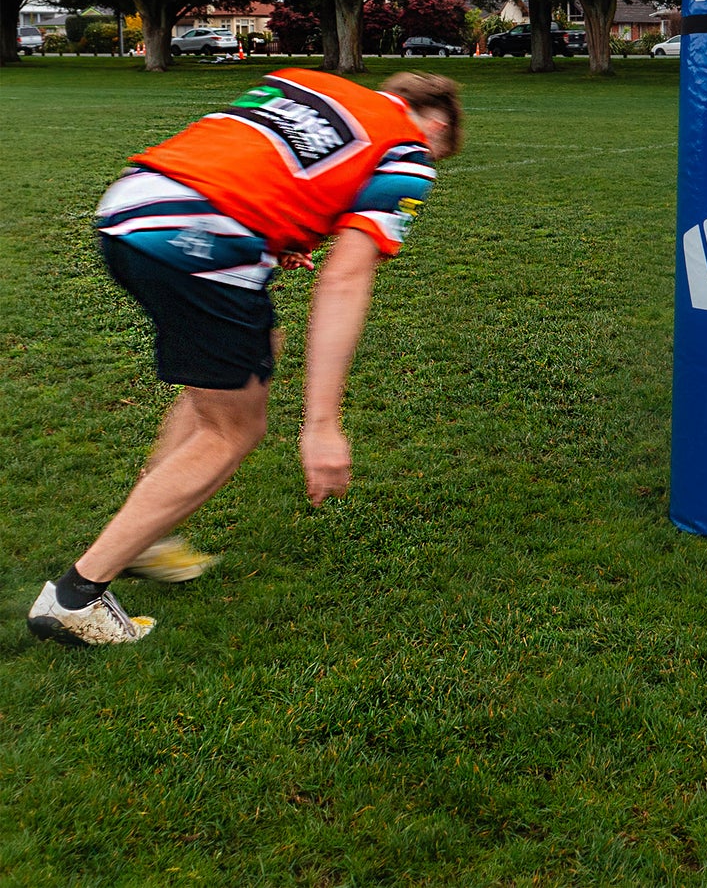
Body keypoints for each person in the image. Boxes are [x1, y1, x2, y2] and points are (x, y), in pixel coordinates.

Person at [27, 68, 462, 647]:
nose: (431, 163)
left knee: (251, 359)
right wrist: (323, 424)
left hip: (128, 207)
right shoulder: (408, 148)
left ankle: (149, 534)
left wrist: (274, 231)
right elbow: (346, 277)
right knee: (232, 431)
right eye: (441, 149)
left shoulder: (301, 80)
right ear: (434, 123)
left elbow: (247, 160)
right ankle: (75, 598)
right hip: (198, 237)